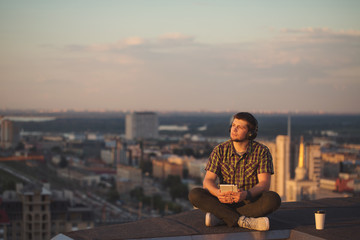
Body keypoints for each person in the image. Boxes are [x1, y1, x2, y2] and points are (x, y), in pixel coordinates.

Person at [188, 112, 281, 231]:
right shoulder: (220, 150)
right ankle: (244, 221)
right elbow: (208, 180)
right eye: (233, 125)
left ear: (250, 133)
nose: (234, 129)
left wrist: (246, 194)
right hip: (222, 201)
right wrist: (217, 193)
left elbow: (264, 184)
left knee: (273, 199)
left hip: (249, 201)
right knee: (195, 194)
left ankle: (222, 218)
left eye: (240, 127)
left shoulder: (262, 151)